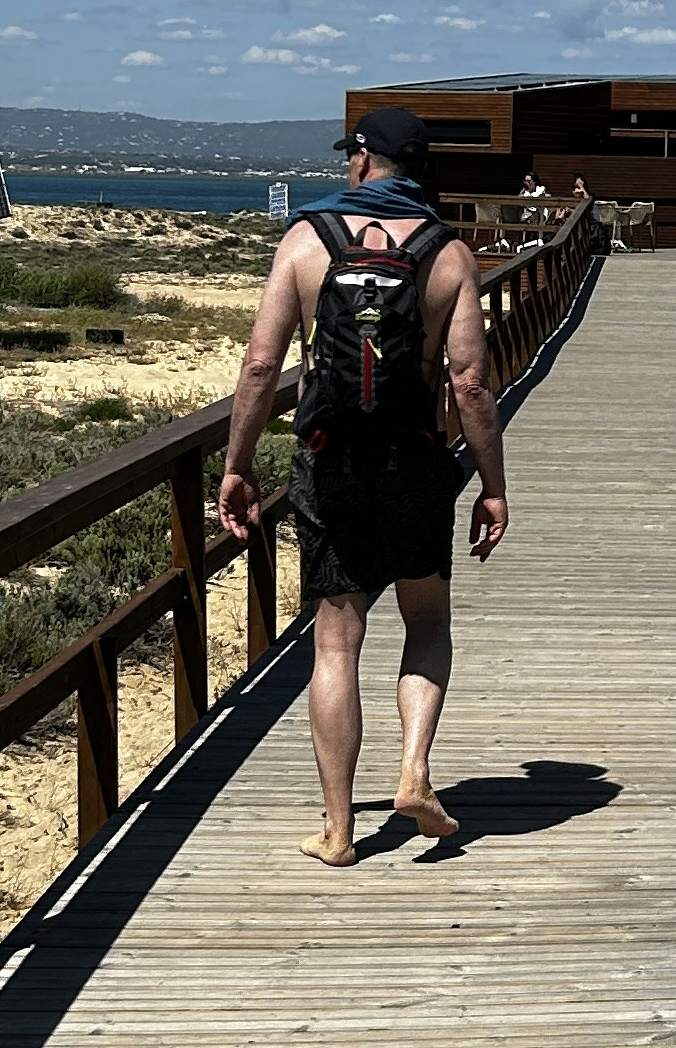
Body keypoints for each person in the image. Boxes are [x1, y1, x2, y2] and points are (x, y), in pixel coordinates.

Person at [218, 103, 508, 862]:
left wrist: (236, 467)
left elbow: (258, 364)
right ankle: (413, 771)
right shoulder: (448, 252)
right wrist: (491, 483)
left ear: (360, 160)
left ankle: (340, 829)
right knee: (428, 622)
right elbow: (470, 383)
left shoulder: (307, 241)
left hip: (329, 460)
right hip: (414, 461)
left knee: (337, 643)